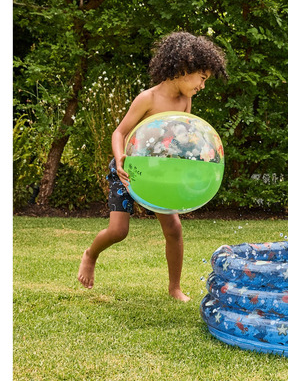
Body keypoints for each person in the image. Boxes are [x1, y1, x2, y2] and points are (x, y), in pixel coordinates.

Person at [78, 31, 228, 301]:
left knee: (174, 228)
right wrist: (120, 157)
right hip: (128, 171)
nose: (203, 86)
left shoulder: (185, 100)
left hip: (158, 174)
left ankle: (175, 288)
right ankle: (90, 255)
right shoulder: (147, 98)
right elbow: (119, 133)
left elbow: (183, 137)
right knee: (118, 231)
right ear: (184, 70)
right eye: (202, 78)